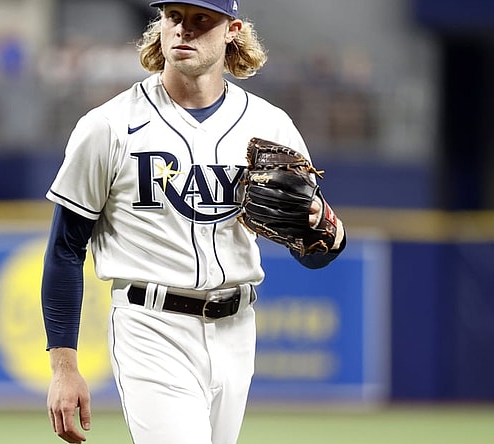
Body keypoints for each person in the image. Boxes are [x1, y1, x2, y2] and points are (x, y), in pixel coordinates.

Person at [41, 1, 346, 443]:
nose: (185, 30)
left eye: (202, 19)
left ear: (232, 30)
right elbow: (64, 248)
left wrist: (326, 231)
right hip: (151, 326)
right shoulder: (107, 126)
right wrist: (63, 368)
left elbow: (315, 254)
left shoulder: (269, 125)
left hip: (238, 327)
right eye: (174, 17)